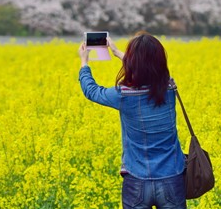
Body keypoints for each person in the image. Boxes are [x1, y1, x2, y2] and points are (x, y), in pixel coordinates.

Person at [78, 32, 186, 209]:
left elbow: (92, 91)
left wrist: (84, 63)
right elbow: (150, 70)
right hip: (171, 177)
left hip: (137, 179)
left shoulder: (123, 95)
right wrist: (116, 52)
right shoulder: (169, 87)